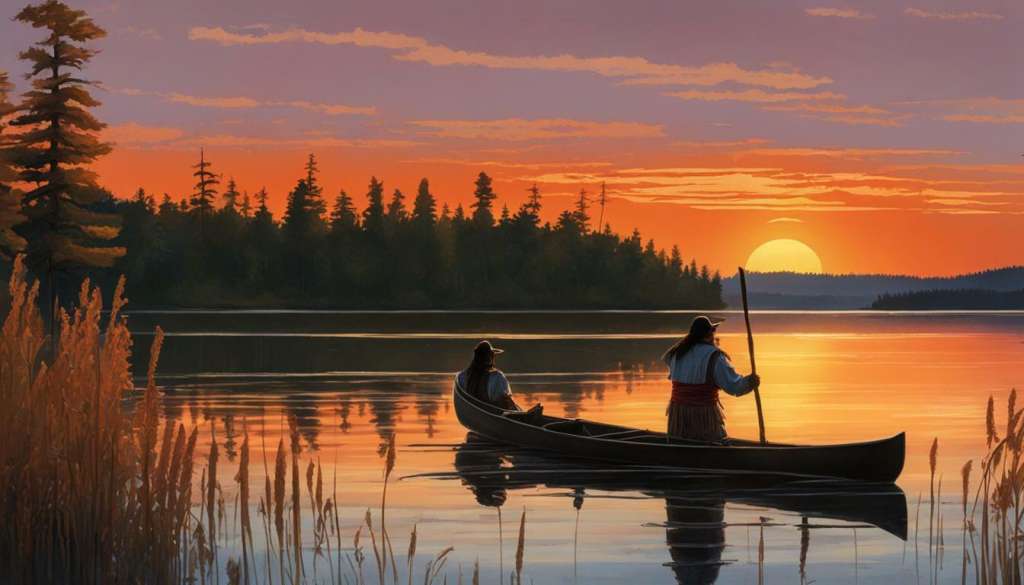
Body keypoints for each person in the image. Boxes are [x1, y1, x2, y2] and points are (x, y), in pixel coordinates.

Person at [662, 316, 760, 442]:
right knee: (713, 442)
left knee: (680, 441)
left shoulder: (677, 353)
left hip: (678, 414)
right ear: (709, 334)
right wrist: (751, 382)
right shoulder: (714, 357)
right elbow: (734, 387)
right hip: (702, 414)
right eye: (713, 332)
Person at [456, 340, 519, 410]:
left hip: (478, 410)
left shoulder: (461, 376)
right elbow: (505, 400)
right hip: (495, 411)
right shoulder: (497, 377)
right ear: (490, 357)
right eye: (492, 355)